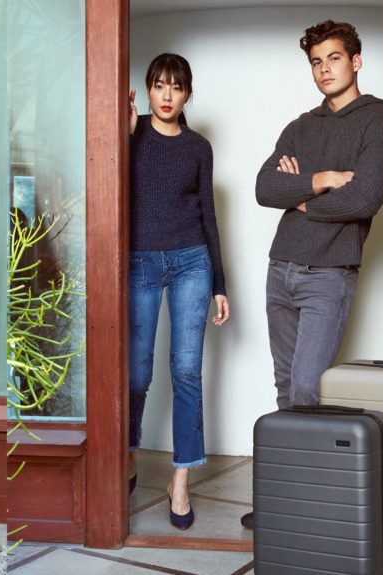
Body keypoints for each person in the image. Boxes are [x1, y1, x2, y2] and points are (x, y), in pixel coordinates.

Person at [242, 20, 383, 530]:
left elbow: (367, 195)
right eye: (316, 61)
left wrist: (300, 198)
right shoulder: (301, 125)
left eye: (333, 58)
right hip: (279, 269)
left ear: (356, 60)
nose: (324, 69)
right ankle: (287, 502)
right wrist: (323, 181)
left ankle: (313, 508)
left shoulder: (378, 120)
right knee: (286, 389)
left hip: (329, 273)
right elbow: (264, 187)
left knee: (309, 388)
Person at [127, 52, 230, 531]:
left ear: (187, 94)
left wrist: (220, 285)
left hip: (192, 261)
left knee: (187, 372)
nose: (167, 96)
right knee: (136, 373)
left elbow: (209, 213)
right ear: (148, 89)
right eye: (159, 86)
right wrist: (123, 135)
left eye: (176, 87)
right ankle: (125, 458)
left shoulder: (198, 148)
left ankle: (181, 481)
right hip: (139, 262)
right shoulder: (132, 136)